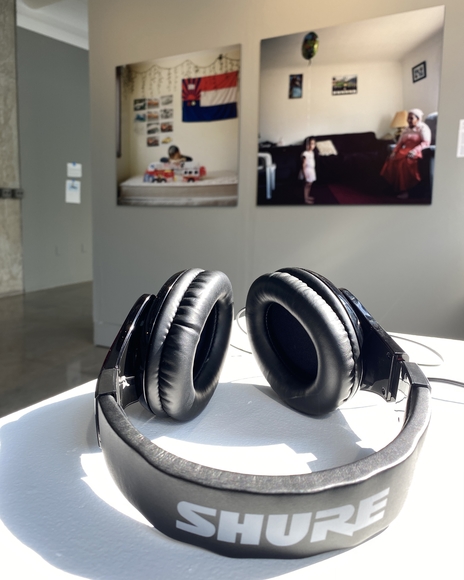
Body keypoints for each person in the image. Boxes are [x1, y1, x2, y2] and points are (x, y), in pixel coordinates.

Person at [380, 108, 431, 199]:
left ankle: (405, 190)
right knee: (391, 160)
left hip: (417, 150)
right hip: (404, 150)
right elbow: (400, 143)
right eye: (408, 118)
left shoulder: (423, 128)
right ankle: (393, 187)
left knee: (403, 163)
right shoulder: (406, 129)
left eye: (411, 118)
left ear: (418, 119)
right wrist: (394, 152)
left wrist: (414, 151)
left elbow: (425, 143)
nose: (409, 120)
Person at [301, 136, 318, 204]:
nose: (311, 146)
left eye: (313, 144)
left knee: (310, 185)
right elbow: (303, 165)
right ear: (306, 145)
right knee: (307, 185)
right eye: (310, 144)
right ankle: (305, 199)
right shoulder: (305, 153)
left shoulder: (312, 152)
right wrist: (304, 174)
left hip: (311, 171)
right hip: (307, 171)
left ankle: (307, 196)